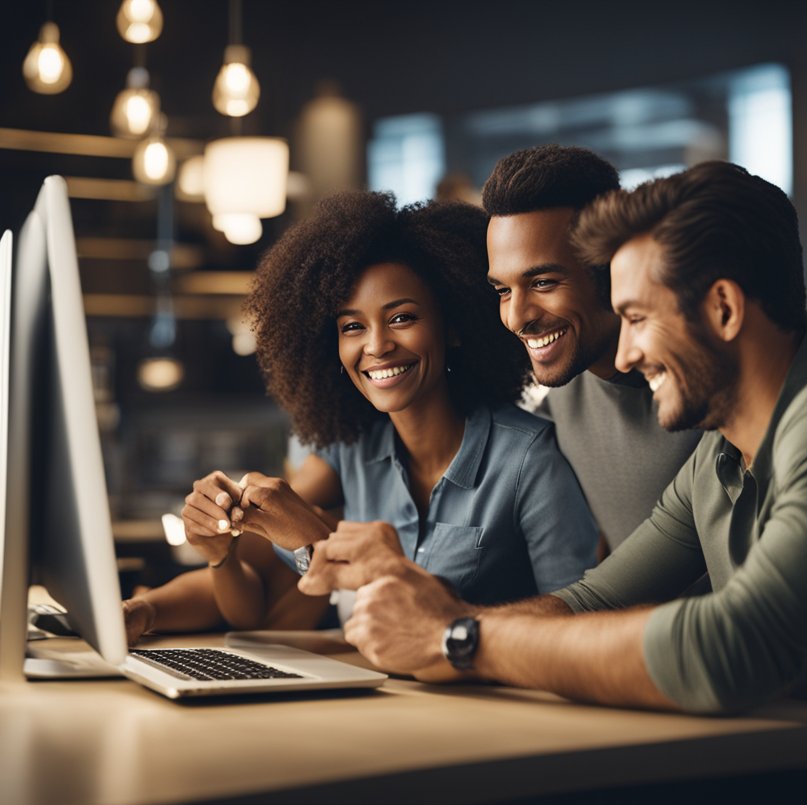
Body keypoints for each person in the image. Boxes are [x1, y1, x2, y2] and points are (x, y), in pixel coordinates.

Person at [297, 162, 807, 805]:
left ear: (724, 308)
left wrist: (456, 639)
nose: (628, 356)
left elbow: (729, 649)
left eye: (638, 317)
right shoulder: (721, 452)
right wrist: (442, 616)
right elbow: (593, 599)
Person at [123, 193, 598, 643]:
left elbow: (577, 622)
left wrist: (314, 539)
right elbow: (251, 598)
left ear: (454, 325)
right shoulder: (348, 449)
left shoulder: (529, 459)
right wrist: (157, 599)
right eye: (352, 326)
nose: (375, 347)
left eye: (402, 318)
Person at [482, 145, 701, 556]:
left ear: (608, 268)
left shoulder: (710, 395)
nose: (516, 317)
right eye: (502, 290)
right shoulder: (557, 411)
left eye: (543, 283)